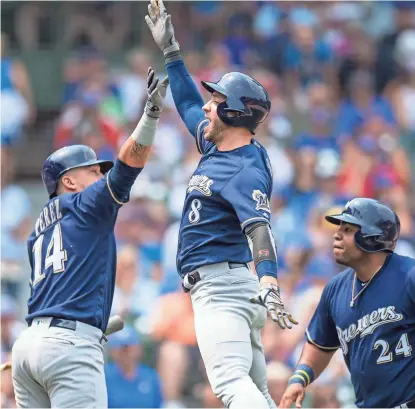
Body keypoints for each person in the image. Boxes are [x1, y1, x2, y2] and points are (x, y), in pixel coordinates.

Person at [145, 1, 297, 408]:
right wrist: (173, 55)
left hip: (223, 289)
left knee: (230, 384)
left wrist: (269, 280)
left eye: (217, 100)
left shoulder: (243, 167)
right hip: (228, 286)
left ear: (233, 111)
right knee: (257, 393)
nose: (208, 105)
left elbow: (259, 228)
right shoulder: (223, 146)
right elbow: (189, 106)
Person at [11, 68, 169, 408]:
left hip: (29, 345)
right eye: (93, 170)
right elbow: (129, 164)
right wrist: (151, 115)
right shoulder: (85, 204)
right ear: (68, 181)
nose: (100, 175)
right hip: (69, 347)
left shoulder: (39, 226)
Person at [279, 198, 415, 409]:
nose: (336, 235)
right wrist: (299, 378)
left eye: (348, 229)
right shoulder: (335, 289)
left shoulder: (408, 276)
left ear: (372, 238)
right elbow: (320, 344)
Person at [105, 325, 163, 408]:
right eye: (120, 348)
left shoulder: (151, 376)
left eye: (128, 348)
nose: (125, 352)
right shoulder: (104, 376)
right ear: (112, 351)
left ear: (139, 349)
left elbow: (158, 405)